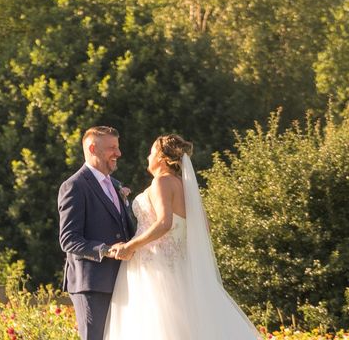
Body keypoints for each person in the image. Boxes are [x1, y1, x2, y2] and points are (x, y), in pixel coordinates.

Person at [104, 134, 263, 339]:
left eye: (151, 152)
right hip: (179, 266)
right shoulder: (184, 186)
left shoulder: (161, 182)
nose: (147, 157)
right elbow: (203, 227)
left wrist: (131, 246)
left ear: (161, 157)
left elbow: (164, 223)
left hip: (155, 267)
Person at [58, 126, 137, 340]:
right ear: (93, 148)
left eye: (118, 147)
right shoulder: (74, 186)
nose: (118, 154)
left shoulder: (116, 185)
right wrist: (107, 250)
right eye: (112, 148)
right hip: (92, 284)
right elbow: (68, 239)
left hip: (121, 279)